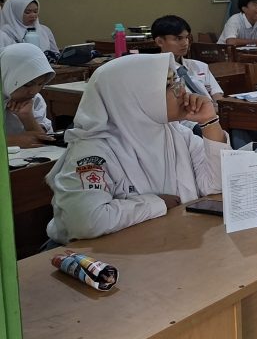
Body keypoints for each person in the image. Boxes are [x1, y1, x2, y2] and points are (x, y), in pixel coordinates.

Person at [45, 53, 231, 244]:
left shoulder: (175, 133)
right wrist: (155, 204)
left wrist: (209, 121)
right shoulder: (92, 151)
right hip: (105, 253)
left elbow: (216, 185)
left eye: (177, 81)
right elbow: (86, 221)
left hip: (169, 240)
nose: (182, 91)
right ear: (135, 97)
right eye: (170, 85)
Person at [151, 15, 223, 101]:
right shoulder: (154, 71)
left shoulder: (200, 66)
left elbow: (217, 95)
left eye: (187, 37)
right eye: (178, 38)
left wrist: (218, 106)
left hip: (211, 108)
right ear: (160, 42)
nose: (185, 43)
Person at [2, 43, 56, 148]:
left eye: (40, 84)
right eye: (27, 85)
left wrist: (27, 117)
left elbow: (44, 139)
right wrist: (12, 141)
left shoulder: (35, 99)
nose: (33, 91)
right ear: (7, 77)